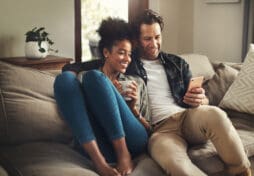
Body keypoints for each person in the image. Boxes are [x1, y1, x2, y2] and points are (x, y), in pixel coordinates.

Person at [125, 9, 251, 176]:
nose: (154, 44)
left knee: (215, 113)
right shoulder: (127, 64)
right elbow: (99, 65)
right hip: (160, 131)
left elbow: (202, 100)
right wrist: (76, 69)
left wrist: (201, 100)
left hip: (187, 118)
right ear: (136, 40)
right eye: (147, 39)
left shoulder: (177, 63)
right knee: (177, 166)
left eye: (157, 37)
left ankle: (241, 171)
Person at [54, 17, 150, 176]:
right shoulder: (85, 78)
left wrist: (132, 108)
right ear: (106, 52)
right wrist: (107, 93)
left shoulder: (137, 82)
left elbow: (149, 130)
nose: (127, 59)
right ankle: (99, 162)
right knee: (65, 79)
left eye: (129, 54)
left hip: (133, 140)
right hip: (101, 144)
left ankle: (123, 155)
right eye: (121, 52)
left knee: (95, 78)